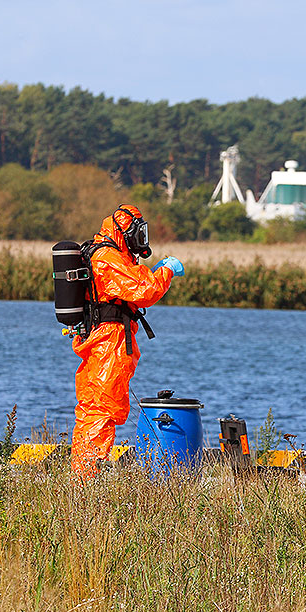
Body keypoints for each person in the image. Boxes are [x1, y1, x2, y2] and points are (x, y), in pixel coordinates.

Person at [70, 204, 184, 479]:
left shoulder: (109, 255)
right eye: (138, 233)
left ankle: (83, 476)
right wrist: (166, 271)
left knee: (93, 408)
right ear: (125, 232)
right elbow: (145, 290)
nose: (141, 240)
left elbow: (132, 283)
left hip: (102, 339)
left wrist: (152, 270)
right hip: (108, 342)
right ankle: (87, 478)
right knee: (102, 408)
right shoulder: (107, 257)